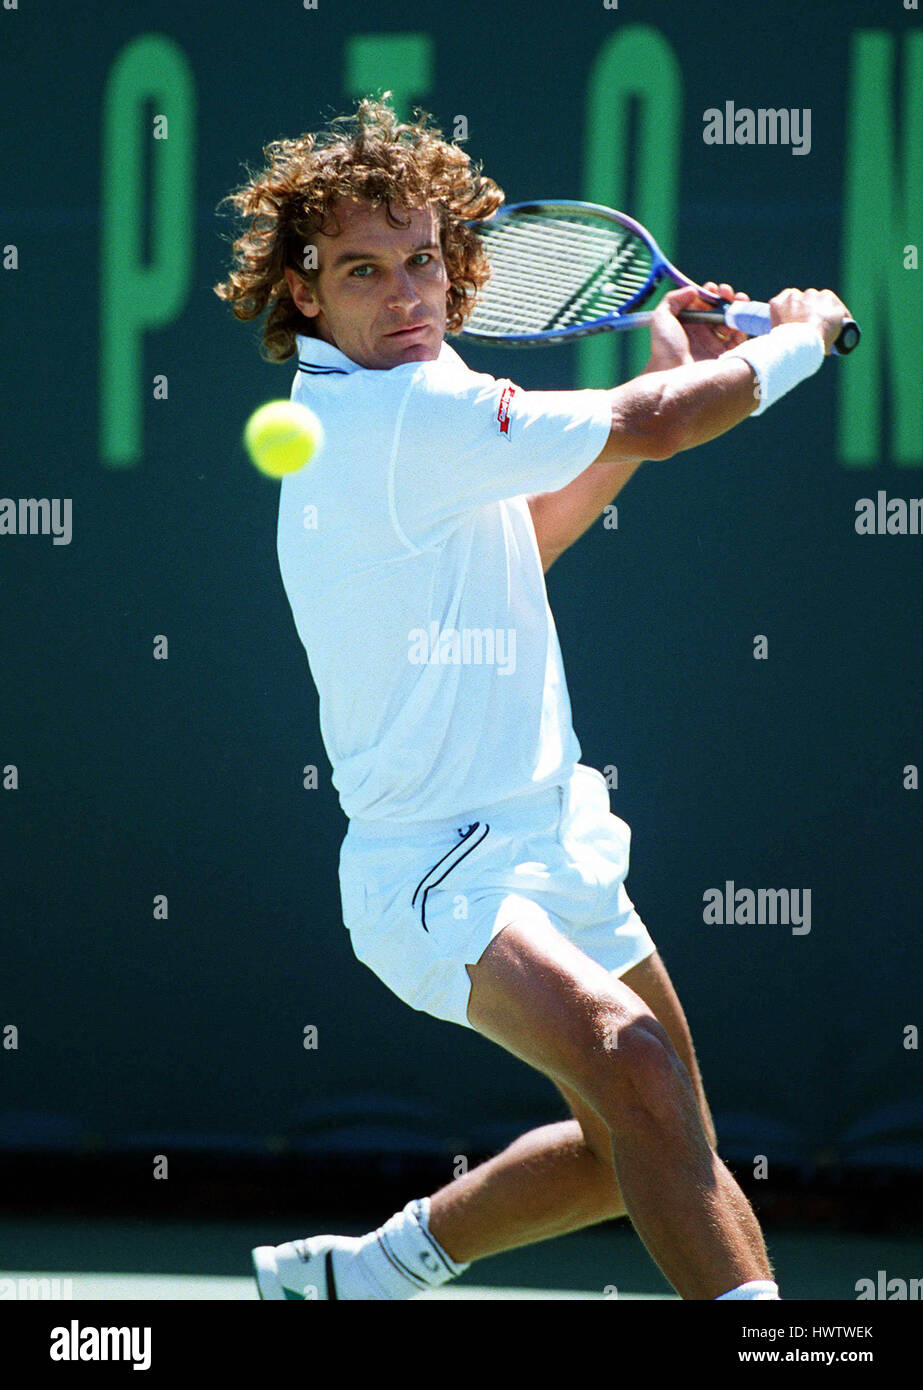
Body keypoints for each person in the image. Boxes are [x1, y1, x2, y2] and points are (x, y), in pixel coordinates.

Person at [215, 95, 850, 1301]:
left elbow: (524, 540)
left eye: (422, 264)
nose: (406, 296)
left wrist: (660, 381)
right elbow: (661, 425)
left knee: (645, 1145)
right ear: (304, 294)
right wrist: (801, 337)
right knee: (641, 1071)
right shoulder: (396, 412)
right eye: (363, 271)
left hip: (547, 826)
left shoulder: (415, 382)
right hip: (433, 868)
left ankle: (360, 1274)